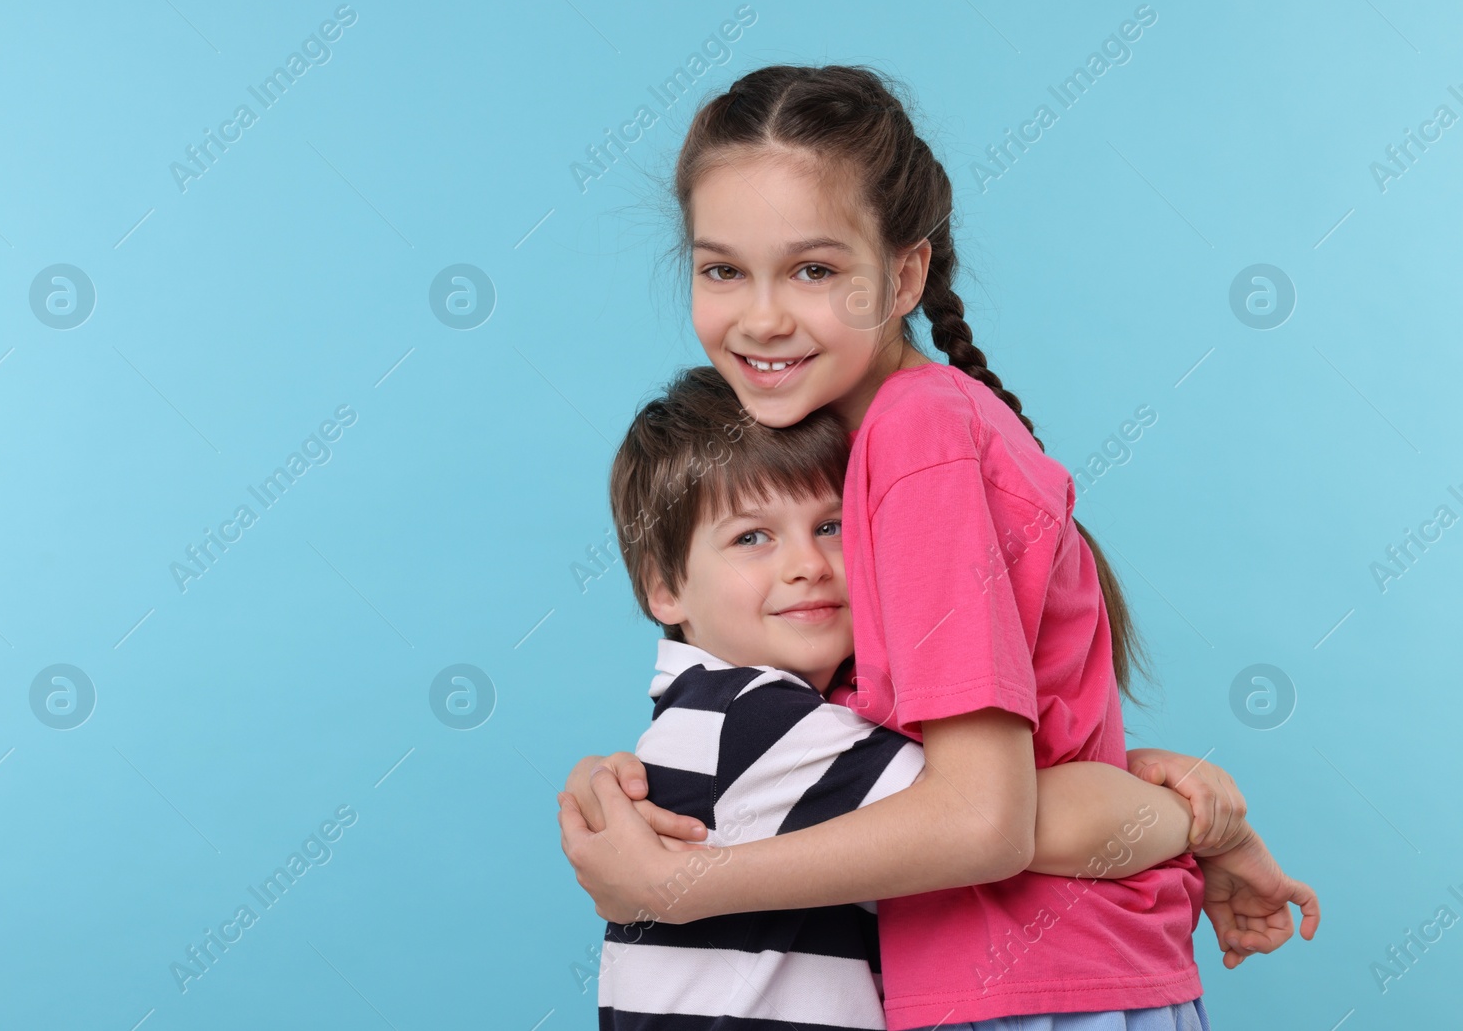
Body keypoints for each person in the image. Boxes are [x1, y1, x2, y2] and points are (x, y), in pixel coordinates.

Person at [559, 65, 1319, 1030]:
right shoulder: (900, 432)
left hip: (1021, 987)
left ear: (905, 274)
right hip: (1054, 975)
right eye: (722, 270)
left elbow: (980, 818)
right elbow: (955, 758)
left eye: (814, 269)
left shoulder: (915, 439)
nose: (760, 316)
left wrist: (683, 884)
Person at [575, 365, 1278, 1031]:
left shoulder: (719, 714)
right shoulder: (753, 721)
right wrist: (1196, 819)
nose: (807, 565)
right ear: (663, 587)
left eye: (831, 526)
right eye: (752, 536)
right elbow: (999, 815)